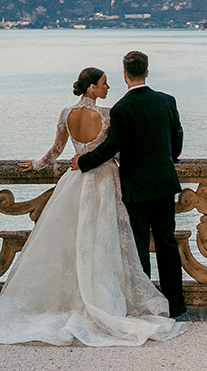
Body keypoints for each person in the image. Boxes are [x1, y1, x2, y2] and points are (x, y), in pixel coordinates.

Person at [0, 65, 186, 346]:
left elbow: (56, 150)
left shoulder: (66, 114)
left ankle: (78, 295)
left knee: (75, 240)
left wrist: (36, 164)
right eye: (104, 83)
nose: (108, 88)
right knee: (112, 241)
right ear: (92, 87)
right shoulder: (108, 114)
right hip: (107, 180)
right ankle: (131, 299)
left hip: (75, 180)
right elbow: (116, 150)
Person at [74, 50, 186, 319]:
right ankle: (176, 303)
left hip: (135, 185)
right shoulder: (167, 101)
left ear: (125, 75)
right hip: (163, 181)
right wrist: (168, 159)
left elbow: (112, 147)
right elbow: (177, 139)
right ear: (147, 71)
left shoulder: (121, 108)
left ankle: (145, 302)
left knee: (138, 246)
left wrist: (83, 161)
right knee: (166, 242)